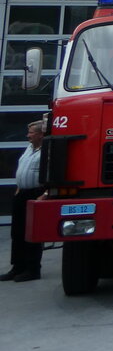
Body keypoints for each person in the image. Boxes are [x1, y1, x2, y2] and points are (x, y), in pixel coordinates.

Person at [2, 119, 45, 283]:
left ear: (41, 135)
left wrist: (45, 195)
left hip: (36, 193)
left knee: (31, 233)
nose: (28, 136)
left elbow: (51, 174)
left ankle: (32, 269)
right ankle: (17, 267)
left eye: (31, 133)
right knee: (17, 232)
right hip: (22, 193)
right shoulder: (29, 148)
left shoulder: (47, 151)